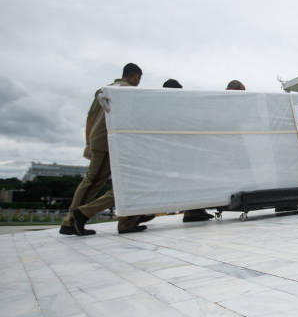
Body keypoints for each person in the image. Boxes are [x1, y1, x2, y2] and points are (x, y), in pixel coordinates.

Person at [60, 64, 154, 235]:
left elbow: (90, 117)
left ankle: (127, 219)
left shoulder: (104, 90)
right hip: (109, 143)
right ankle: (72, 219)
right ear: (135, 77)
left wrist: (88, 142)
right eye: (139, 79)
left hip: (99, 140)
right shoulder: (127, 92)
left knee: (107, 181)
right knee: (94, 181)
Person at [162, 78, 215, 222]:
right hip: (183, 152)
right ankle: (193, 211)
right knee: (193, 179)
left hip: (180, 151)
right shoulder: (173, 107)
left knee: (192, 180)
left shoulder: (165, 107)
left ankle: (195, 210)